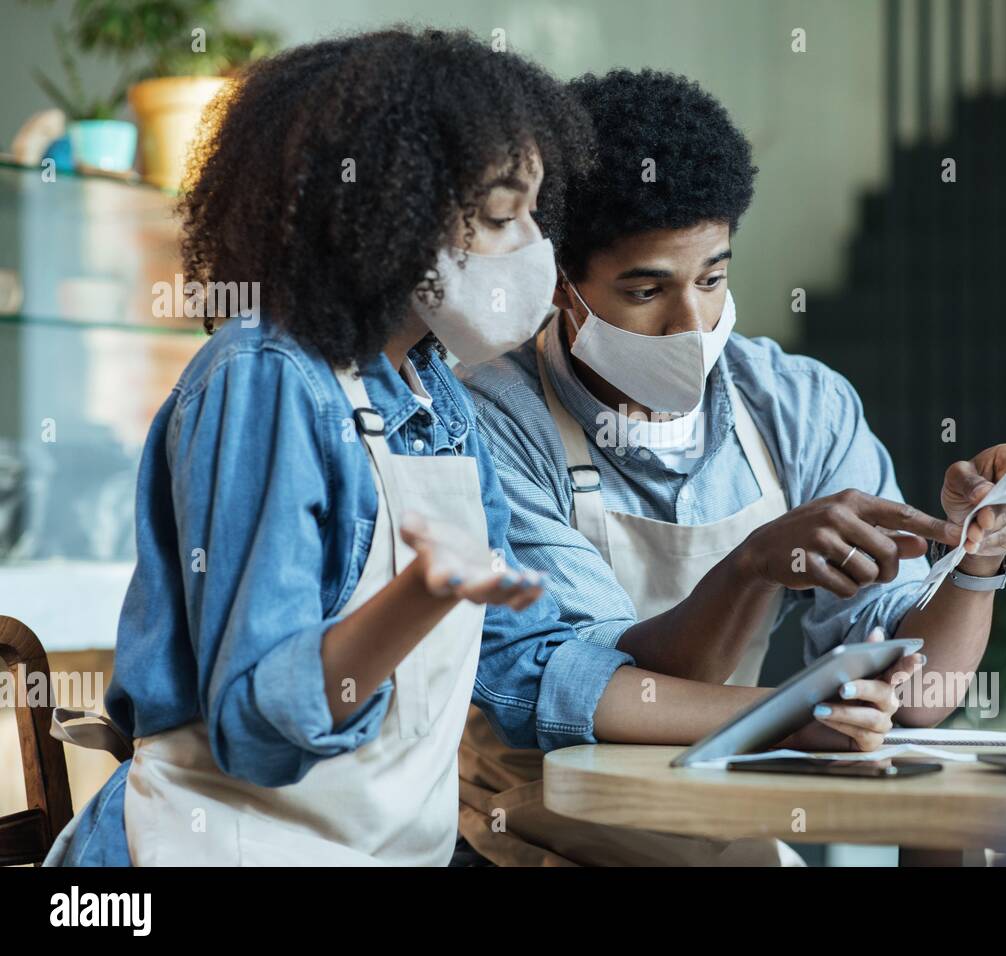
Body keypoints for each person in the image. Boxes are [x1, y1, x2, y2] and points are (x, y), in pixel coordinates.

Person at [44, 28, 598, 866]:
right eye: (497, 216)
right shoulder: (265, 378)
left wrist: (763, 706)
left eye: (533, 212)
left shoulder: (433, 391)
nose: (531, 249)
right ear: (384, 213)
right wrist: (422, 593)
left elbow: (523, 664)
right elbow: (256, 732)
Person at [457, 69, 1006, 866]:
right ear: (562, 285)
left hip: (724, 790)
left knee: (958, 842)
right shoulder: (493, 416)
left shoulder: (798, 405)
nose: (690, 323)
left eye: (712, 277)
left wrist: (978, 559)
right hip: (534, 806)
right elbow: (596, 690)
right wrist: (752, 578)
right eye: (645, 289)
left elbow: (921, 699)